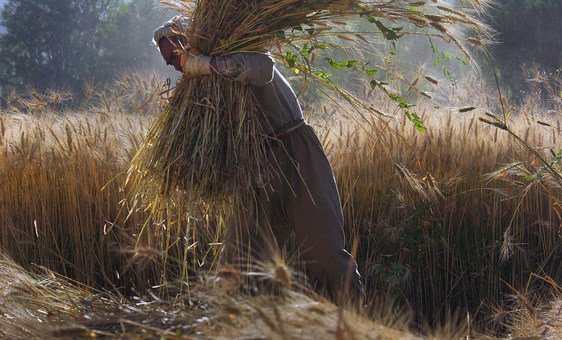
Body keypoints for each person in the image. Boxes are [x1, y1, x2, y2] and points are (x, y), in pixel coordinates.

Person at [153, 16, 363, 305]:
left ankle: (355, 322)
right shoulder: (201, 91)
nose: (176, 65)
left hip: (296, 153)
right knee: (240, 263)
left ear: (190, 42)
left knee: (324, 252)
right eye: (169, 62)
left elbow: (262, 69)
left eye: (176, 54)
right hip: (256, 167)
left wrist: (204, 65)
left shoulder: (238, 51)